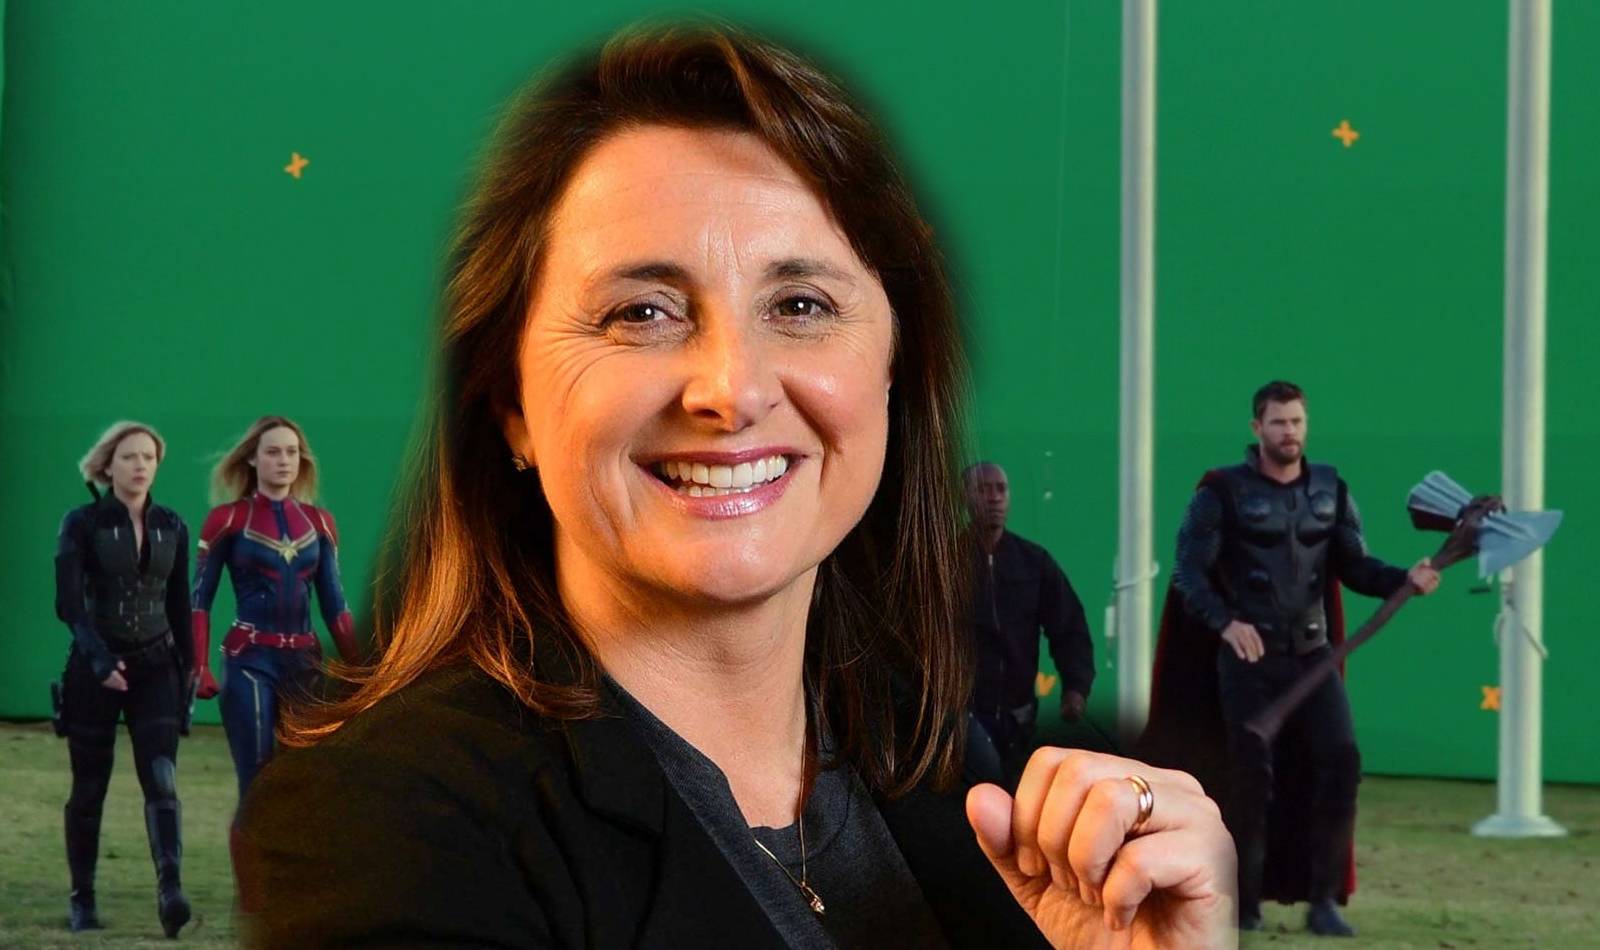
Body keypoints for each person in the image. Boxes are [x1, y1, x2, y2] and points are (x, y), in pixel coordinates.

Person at [235, 26, 1237, 948]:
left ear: (893, 370)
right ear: (512, 406)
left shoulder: (947, 774)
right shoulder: (386, 824)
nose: (733, 389)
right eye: (641, 312)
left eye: (799, 304)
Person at [1146, 380, 1440, 937]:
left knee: (1341, 760)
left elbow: (1355, 566)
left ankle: (1323, 900)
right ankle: (1244, 903)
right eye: (1279, 422)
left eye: (1297, 422)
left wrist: (1406, 578)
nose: (1289, 432)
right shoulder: (1221, 492)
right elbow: (1189, 571)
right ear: (1257, 428)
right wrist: (1226, 623)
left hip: (1312, 657)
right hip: (1249, 662)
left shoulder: (1331, 490)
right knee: (1249, 778)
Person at [53, 421, 193, 936]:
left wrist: (189, 672)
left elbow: (180, 604)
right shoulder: (81, 522)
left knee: (161, 777)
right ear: (108, 465)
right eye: (130, 457)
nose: (140, 466)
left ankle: (170, 890)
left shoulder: (173, 524)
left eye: (148, 458)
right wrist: (98, 660)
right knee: (90, 786)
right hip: (95, 670)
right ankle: (82, 899)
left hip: (157, 667)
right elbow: (69, 604)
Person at [190, 415, 358, 804]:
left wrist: (362, 669)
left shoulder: (320, 523)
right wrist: (199, 666)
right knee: (257, 779)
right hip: (249, 660)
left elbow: (335, 605)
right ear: (252, 458)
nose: (283, 460)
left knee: (306, 777)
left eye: (291, 452)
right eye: (273, 452)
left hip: (305, 663)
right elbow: (200, 600)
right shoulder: (227, 519)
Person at [964, 461, 1095, 786]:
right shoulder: (945, 564)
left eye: (1001, 489)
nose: (994, 498)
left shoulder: (1034, 562)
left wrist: (1076, 689)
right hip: (962, 720)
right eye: (983, 489)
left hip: (1020, 718)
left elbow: (1069, 628)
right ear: (965, 497)